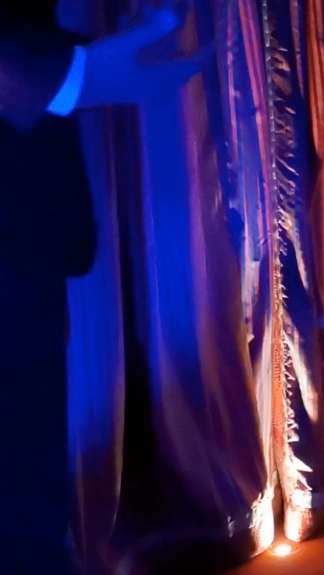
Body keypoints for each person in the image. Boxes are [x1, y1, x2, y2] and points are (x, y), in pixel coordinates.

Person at [0, 2, 209, 572]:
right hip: (22, 291)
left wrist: (71, 77)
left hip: (30, 293)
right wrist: (72, 77)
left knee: (32, 509)